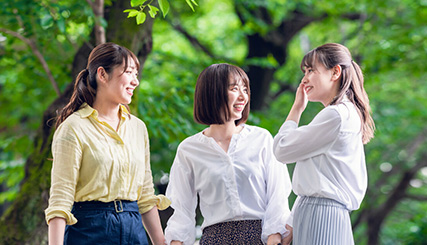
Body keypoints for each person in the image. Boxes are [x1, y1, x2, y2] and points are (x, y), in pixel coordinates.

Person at [44, 42, 170, 245]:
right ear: (102, 75)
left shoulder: (138, 128)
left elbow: (146, 196)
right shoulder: (73, 127)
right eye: (129, 72)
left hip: (134, 231)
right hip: (89, 231)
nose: (135, 81)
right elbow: (60, 199)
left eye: (136, 74)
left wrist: (160, 242)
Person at [164, 63, 293, 245]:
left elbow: (278, 195)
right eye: (234, 89)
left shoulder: (261, 139)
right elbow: (181, 211)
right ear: (212, 93)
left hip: (261, 237)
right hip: (214, 239)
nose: (243, 97)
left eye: (245, 90)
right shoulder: (189, 149)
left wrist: (275, 237)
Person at [273, 43, 375, 244]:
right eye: (305, 71)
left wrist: (296, 110)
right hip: (319, 213)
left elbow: (281, 150)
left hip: (321, 214)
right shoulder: (344, 113)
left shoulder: (336, 115)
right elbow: (318, 175)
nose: (304, 79)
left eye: (311, 70)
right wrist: (293, 221)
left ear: (335, 72)